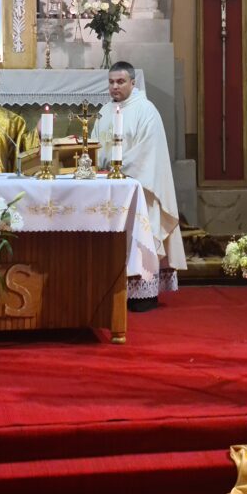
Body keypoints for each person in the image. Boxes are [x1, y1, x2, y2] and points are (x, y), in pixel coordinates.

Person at [92, 61, 186, 311]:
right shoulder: (104, 111)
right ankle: (114, 290)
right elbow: (93, 145)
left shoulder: (146, 110)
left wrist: (116, 167)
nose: (115, 87)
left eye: (120, 82)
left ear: (133, 83)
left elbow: (148, 152)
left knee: (140, 235)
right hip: (110, 189)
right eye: (111, 82)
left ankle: (144, 294)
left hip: (139, 188)